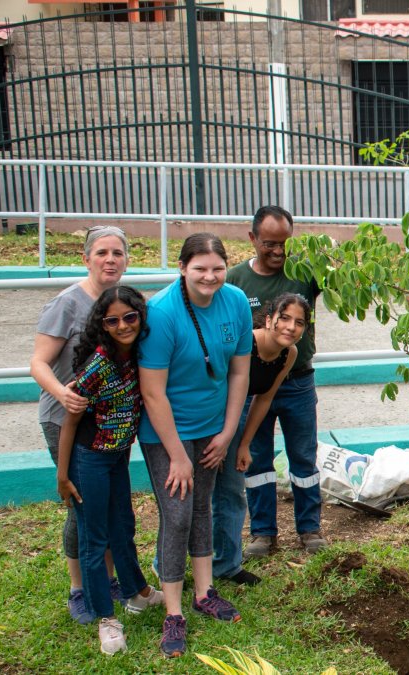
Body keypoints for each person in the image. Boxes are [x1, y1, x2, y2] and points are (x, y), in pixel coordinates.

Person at [139, 233, 252, 658]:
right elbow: (153, 393)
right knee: (178, 515)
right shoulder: (162, 312)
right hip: (167, 431)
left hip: (212, 427)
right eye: (200, 268)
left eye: (217, 268)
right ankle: (173, 612)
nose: (210, 276)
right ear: (183, 268)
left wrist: (227, 434)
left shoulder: (236, 301)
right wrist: (177, 455)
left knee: (202, 506)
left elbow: (239, 373)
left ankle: (204, 592)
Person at [55, 286, 164, 655]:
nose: (123, 325)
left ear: (141, 317)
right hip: (90, 459)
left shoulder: (136, 355)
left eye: (130, 317)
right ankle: (106, 618)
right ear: (102, 325)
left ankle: (138, 593)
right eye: (113, 320)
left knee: (124, 526)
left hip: (117, 456)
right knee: (94, 536)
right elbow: (70, 421)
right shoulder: (98, 364)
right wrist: (63, 474)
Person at [30, 225, 130, 625]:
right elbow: (38, 362)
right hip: (64, 419)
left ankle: (105, 581)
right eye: (102, 252)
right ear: (86, 258)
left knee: (105, 504)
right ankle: (79, 588)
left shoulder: (121, 303)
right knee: (82, 506)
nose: (110, 260)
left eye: (117, 253)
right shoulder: (66, 304)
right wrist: (62, 393)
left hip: (109, 426)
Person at [226, 205, 326, 561]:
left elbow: (348, 281)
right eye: (269, 243)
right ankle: (263, 532)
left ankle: (309, 528)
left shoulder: (305, 272)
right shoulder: (235, 280)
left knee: (303, 456)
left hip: (298, 380)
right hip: (253, 386)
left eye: (285, 243)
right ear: (252, 238)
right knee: (255, 458)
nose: (279, 251)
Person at [212, 293, 310, 585]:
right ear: (269, 320)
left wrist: (243, 443)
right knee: (196, 496)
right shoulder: (245, 343)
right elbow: (215, 387)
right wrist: (220, 437)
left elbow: (263, 399)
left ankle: (227, 565)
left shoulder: (288, 354)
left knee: (230, 492)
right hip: (210, 415)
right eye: (284, 318)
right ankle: (168, 566)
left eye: (299, 322)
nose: (291, 327)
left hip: (236, 416)